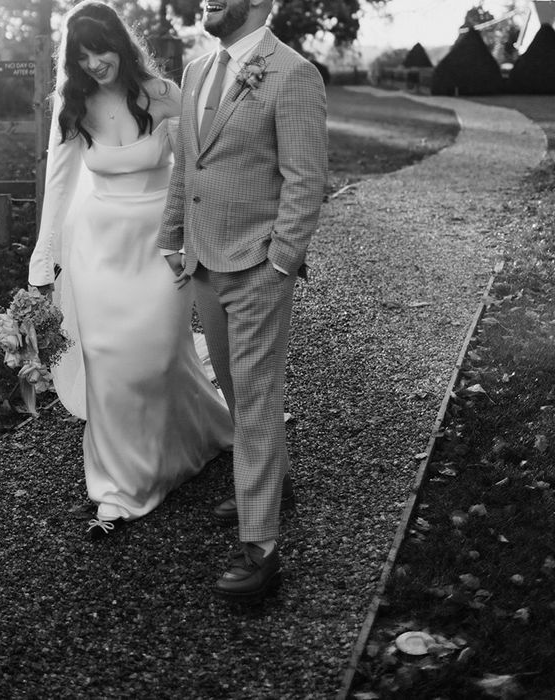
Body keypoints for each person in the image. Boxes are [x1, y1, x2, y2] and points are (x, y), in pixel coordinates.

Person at [28, 0, 233, 539]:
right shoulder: (72, 104)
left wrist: (206, 232)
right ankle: (116, 486)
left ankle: (195, 437)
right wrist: (42, 262)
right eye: (84, 55)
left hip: (161, 243)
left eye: (103, 49)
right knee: (108, 358)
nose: (97, 63)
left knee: (160, 355)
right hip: (98, 247)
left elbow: (200, 166)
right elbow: (59, 182)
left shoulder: (162, 95)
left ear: (121, 42)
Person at [158, 0, 328, 599]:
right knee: (232, 385)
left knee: (256, 398)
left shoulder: (293, 74)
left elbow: (306, 180)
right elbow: (187, 166)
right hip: (205, 260)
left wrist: (280, 261)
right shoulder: (197, 70)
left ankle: (261, 548)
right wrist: (174, 239)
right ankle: (272, 477)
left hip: (258, 265)